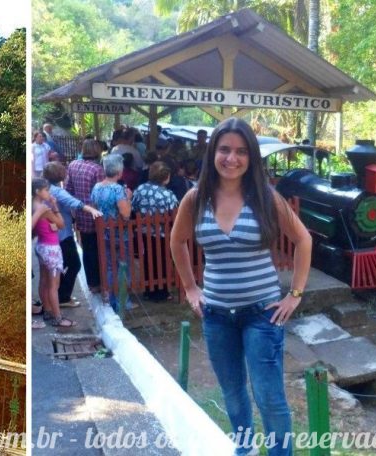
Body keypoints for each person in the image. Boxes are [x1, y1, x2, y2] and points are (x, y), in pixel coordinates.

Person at [170, 117, 312, 456]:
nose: (231, 158)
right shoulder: (196, 198)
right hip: (216, 315)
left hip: (262, 315)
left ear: (251, 158)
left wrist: (294, 294)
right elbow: (177, 242)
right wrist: (191, 289)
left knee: (268, 397)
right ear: (212, 153)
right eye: (224, 149)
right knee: (233, 393)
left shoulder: (266, 197)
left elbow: (303, 240)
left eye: (241, 151)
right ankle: (245, 449)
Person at [43, 162, 103, 307]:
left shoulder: (46, 189)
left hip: (52, 234)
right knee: (74, 264)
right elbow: (75, 203)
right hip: (63, 235)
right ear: (59, 174)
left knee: (59, 265)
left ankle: (58, 295)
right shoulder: (58, 192)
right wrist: (92, 210)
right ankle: (63, 297)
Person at [90, 153, 133, 313]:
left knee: (109, 266)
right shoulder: (118, 189)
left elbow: (94, 206)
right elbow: (126, 214)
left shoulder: (97, 187)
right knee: (123, 266)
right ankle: (122, 301)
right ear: (119, 172)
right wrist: (128, 197)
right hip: (120, 235)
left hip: (104, 233)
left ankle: (109, 297)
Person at [131, 161, 179, 301]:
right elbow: (175, 212)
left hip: (144, 232)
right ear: (166, 177)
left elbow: (133, 207)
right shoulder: (167, 194)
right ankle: (162, 292)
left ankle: (149, 290)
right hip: (162, 233)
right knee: (163, 261)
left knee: (147, 260)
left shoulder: (140, 189)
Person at [31, 178, 75, 328]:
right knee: (53, 285)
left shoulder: (33, 205)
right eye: (46, 190)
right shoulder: (44, 209)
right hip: (52, 248)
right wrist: (55, 206)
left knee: (43, 281)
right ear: (38, 191)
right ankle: (58, 317)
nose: (48, 193)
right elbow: (61, 224)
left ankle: (48, 311)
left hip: (41, 245)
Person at [66, 139, 106, 292]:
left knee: (87, 249)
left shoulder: (73, 165)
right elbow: (100, 195)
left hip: (80, 213)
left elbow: (68, 190)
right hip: (95, 215)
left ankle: (92, 283)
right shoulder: (97, 169)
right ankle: (100, 282)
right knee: (98, 250)